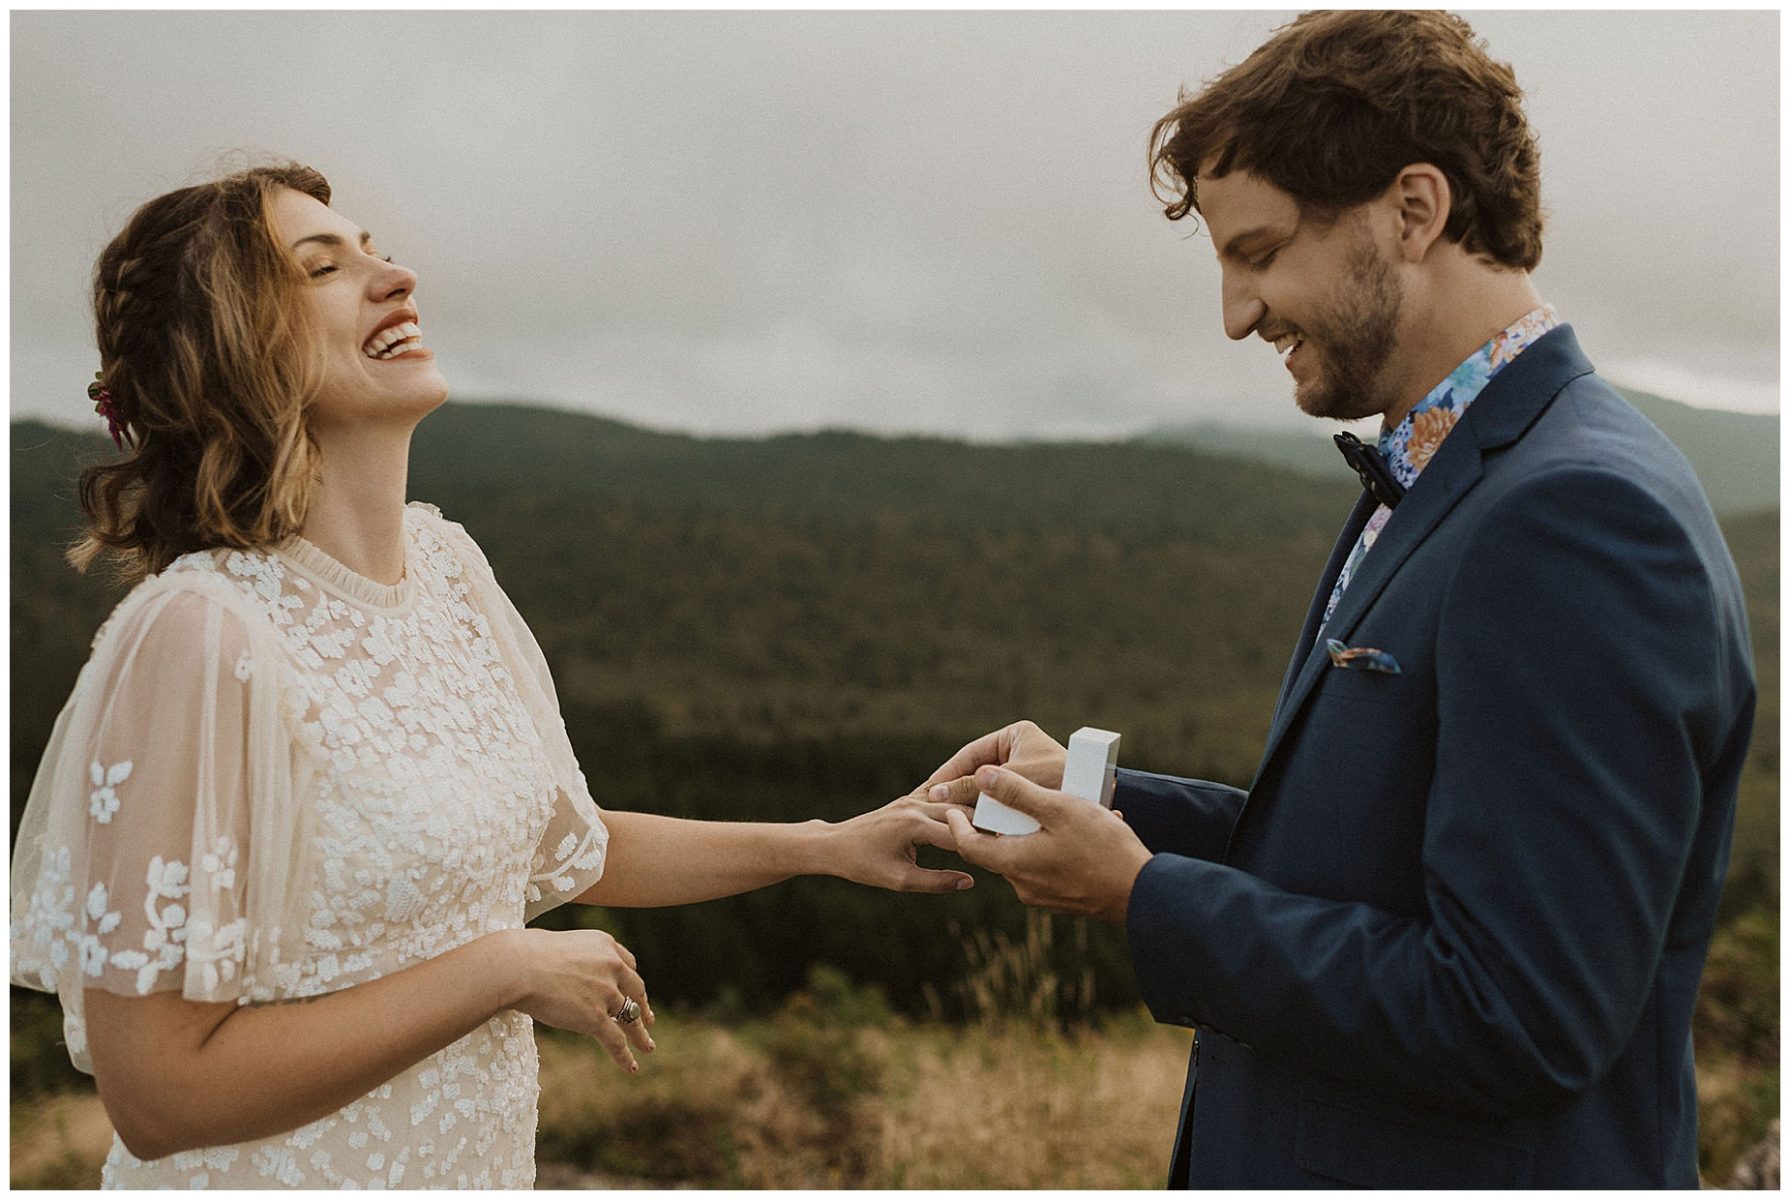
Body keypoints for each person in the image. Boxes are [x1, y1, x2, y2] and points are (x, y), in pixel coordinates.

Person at [9, 161, 976, 1189]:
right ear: (228, 353)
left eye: (377, 250)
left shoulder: (447, 571)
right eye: (322, 267)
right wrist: (502, 967)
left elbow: (569, 844)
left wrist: (827, 845)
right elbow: (158, 1096)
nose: (396, 277)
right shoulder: (199, 633)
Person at [923, 10, 1755, 1189]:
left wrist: (1144, 898)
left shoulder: (1574, 519)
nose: (1232, 312)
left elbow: (1515, 1014)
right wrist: (1103, 807)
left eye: (1257, 253)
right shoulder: (1437, 469)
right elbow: (1375, 856)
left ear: (1411, 211)